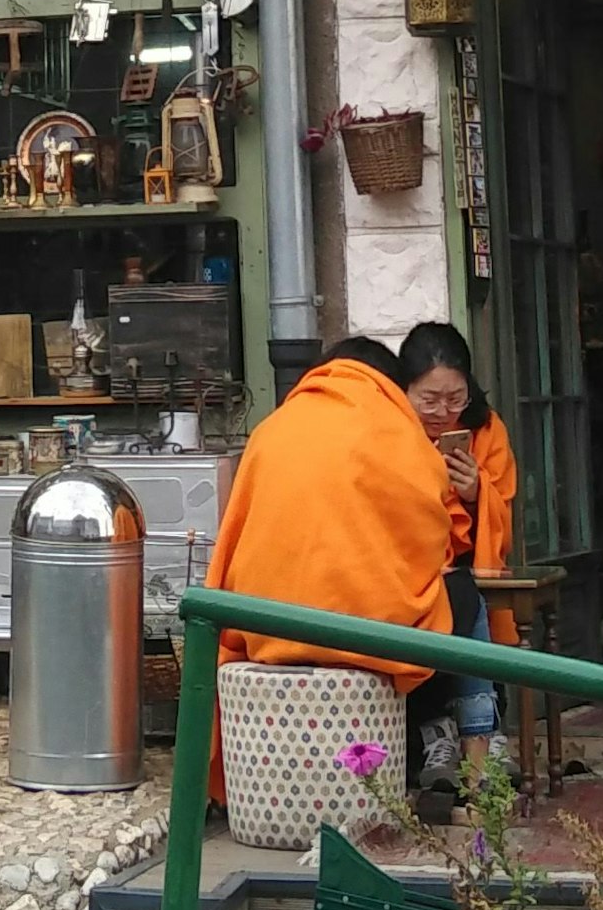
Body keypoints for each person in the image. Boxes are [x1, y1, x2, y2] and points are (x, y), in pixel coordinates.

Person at [202, 336, 461, 765]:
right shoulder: (396, 430)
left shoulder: (271, 428)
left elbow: (236, 527)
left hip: (265, 629)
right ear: (390, 387)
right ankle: (451, 742)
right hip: (364, 635)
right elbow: (431, 538)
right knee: (458, 598)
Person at [397, 321, 517, 788]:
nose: (443, 412)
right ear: (403, 390)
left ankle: (471, 738)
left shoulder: (485, 429)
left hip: (466, 562)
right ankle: (469, 738)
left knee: (464, 594)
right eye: (429, 400)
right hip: (407, 564)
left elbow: (501, 503)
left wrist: (474, 494)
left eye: (455, 398)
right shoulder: (390, 431)